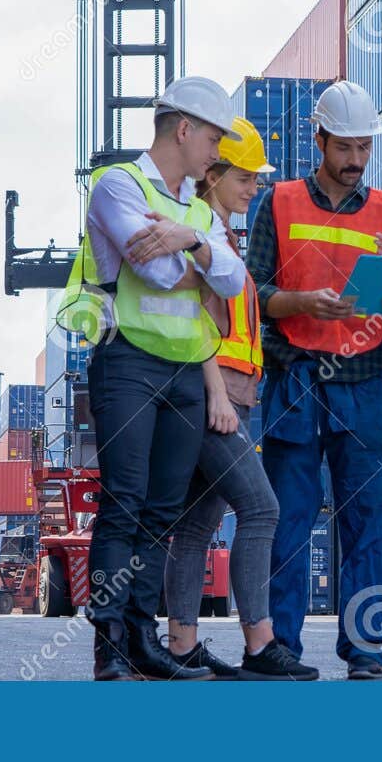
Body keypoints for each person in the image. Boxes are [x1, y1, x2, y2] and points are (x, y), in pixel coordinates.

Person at [60, 75, 248, 681]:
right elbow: (162, 273)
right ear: (184, 129)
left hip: (186, 372)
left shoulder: (196, 210)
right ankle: (110, 647)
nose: (218, 152)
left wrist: (189, 237)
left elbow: (236, 283)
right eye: (214, 138)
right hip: (129, 364)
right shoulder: (118, 184)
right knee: (124, 504)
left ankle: (145, 641)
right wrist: (201, 257)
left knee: (161, 511)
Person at [246, 79, 382, 680]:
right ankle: (282, 648)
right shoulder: (275, 202)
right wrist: (301, 302)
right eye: (345, 147)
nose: (355, 161)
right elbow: (250, 295)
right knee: (288, 520)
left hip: (365, 381)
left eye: (365, 149)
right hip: (295, 379)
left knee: (368, 519)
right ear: (318, 140)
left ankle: (367, 651)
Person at [162, 117, 319, 681]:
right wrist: (216, 398)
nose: (255, 187)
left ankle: (181, 645)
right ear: (215, 173)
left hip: (238, 391)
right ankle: (260, 644)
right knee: (262, 508)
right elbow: (192, 322)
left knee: (199, 522)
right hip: (216, 393)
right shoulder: (204, 233)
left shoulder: (224, 237)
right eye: (246, 176)